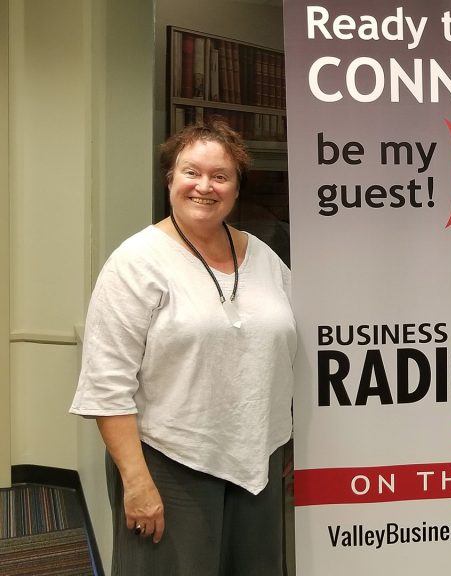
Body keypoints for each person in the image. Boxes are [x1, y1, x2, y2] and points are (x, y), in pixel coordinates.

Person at [69, 119, 296, 575]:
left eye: (220, 176)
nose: (204, 187)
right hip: (170, 464)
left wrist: (288, 437)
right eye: (192, 172)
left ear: (236, 188)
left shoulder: (266, 260)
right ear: (170, 178)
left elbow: (287, 355)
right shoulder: (136, 262)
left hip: (258, 463)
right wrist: (136, 482)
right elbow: (107, 385)